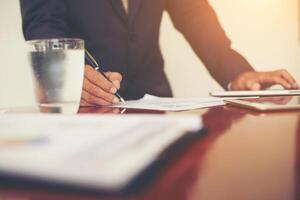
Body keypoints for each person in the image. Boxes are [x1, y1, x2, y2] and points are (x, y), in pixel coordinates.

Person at [20, 0, 298, 106]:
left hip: (158, 106)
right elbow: (44, 23)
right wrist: (69, 74)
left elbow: (194, 14)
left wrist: (238, 73)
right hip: (86, 112)